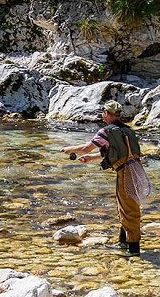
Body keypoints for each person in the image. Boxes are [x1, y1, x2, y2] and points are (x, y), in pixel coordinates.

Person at [60, 100, 151, 255]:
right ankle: (123, 244)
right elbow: (115, 152)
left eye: (103, 112)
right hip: (137, 171)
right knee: (126, 208)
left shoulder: (106, 131)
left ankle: (134, 251)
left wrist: (69, 149)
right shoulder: (128, 130)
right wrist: (91, 158)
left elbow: (85, 147)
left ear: (107, 114)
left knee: (129, 211)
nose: (102, 115)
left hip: (125, 173)